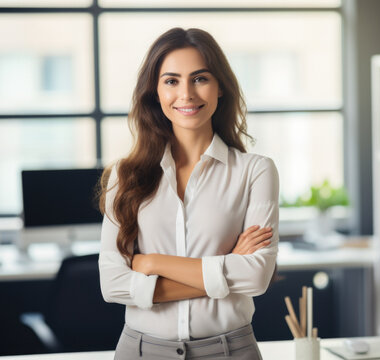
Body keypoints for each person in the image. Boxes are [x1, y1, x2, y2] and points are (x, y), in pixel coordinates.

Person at [98, 27, 279, 360]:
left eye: (200, 79)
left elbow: (255, 277)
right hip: (140, 351)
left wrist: (151, 262)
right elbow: (112, 284)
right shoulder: (124, 176)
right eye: (171, 81)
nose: (186, 94)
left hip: (230, 350)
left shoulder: (255, 170)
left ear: (220, 86)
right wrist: (228, 266)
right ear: (154, 91)